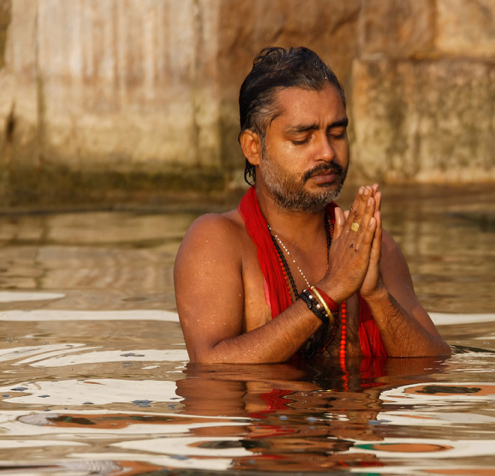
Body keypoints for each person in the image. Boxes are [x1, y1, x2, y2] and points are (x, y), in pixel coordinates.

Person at [174, 47, 450, 364]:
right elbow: (210, 366)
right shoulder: (216, 241)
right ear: (253, 147)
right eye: (303, 138)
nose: (328, 153)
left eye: (337, 133)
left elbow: (435, 366)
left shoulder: (374, 247)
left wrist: (376, 296)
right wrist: (331, 289)